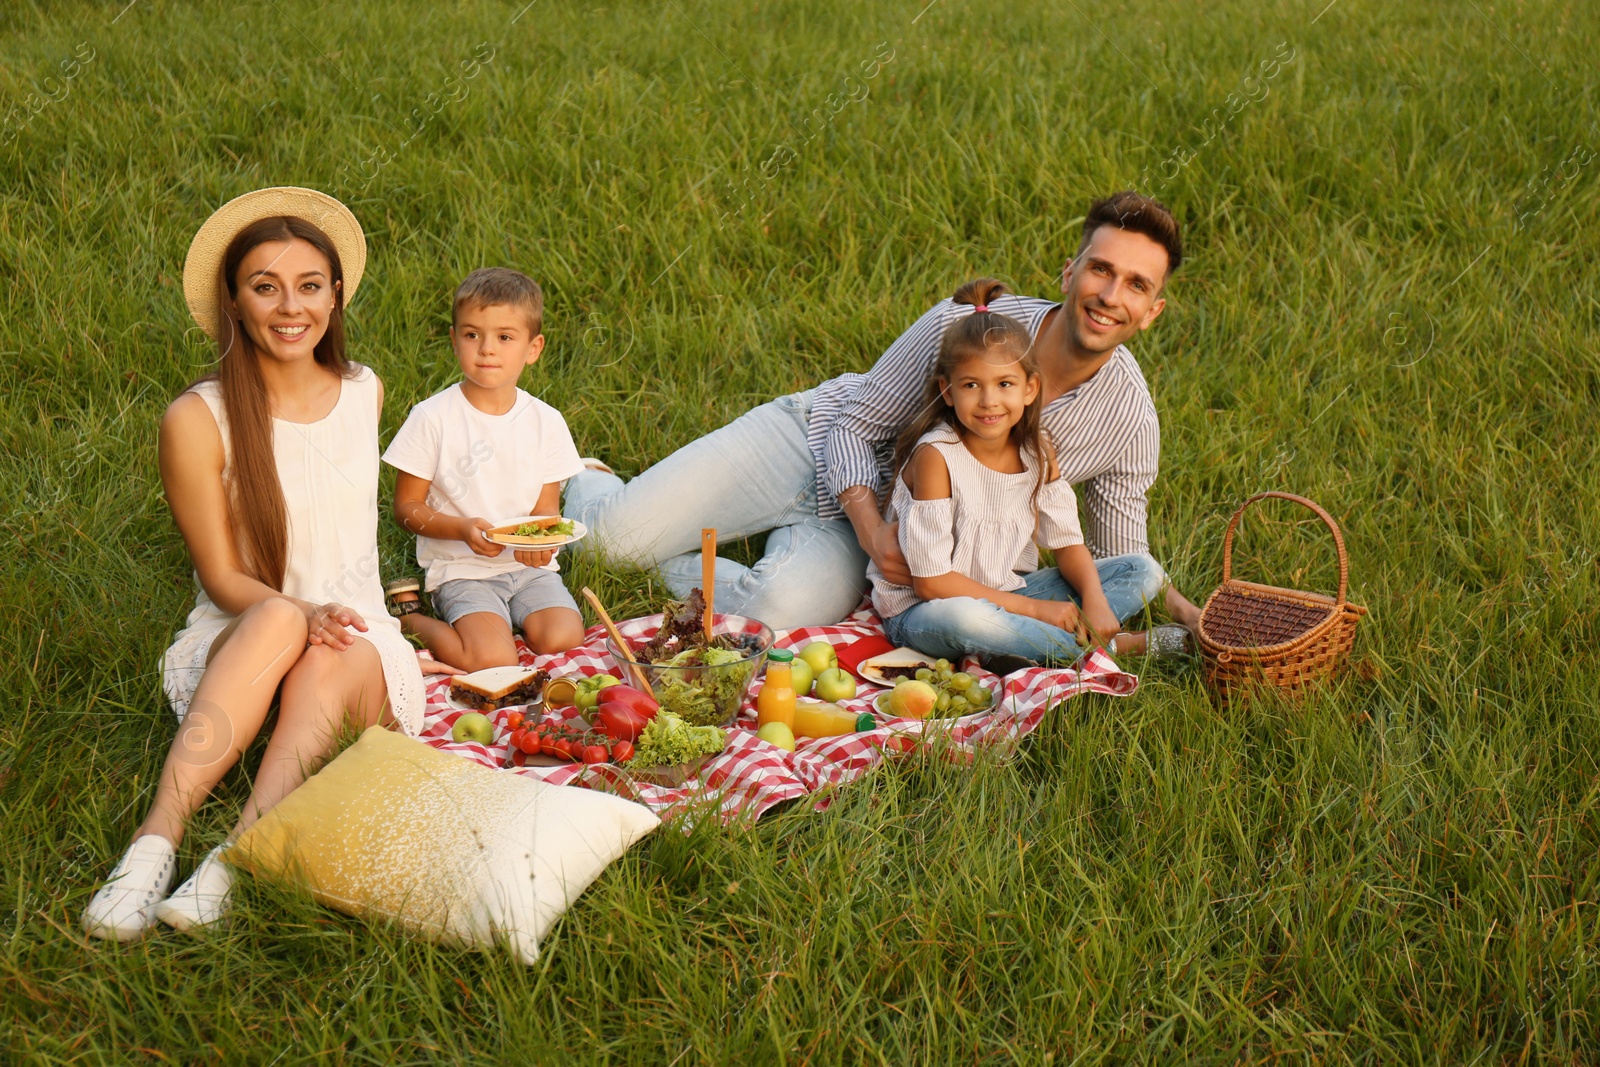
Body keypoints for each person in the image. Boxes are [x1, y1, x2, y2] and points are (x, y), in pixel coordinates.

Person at [565, 191, 1201, 638]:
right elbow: (854, 424)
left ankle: (689, 551)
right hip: (811, 446)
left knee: (778, 610)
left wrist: (1196, 621)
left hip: (887, 534)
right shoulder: (970, 327)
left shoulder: (1129, 419)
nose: (1111, 296)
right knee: (611, 546)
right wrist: (873, 530)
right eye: (1101, 270)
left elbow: (1124, 554)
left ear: (1153, 311)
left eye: (1137, 285)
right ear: (1071, 272)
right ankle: (584, 475)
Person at [81, 188, 457, 941]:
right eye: (266, 286)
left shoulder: (364, 389)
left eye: (310, 285)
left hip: (357, 639)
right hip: (244, 633)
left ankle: (237, 852)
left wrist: (330, 616)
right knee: (282, 615)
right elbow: (222, 577)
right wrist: (300, 612)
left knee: (333, 646)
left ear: (336, 293)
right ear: (234, 301)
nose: (292, 307)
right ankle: (154, 844)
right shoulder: (197, 418)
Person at [870, 279, 1177, 665]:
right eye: (971, 385)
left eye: (1004, 383)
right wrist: (1034, 610)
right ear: (947, 392)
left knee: (1141, 570)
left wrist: (1096, 601)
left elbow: (1067, 544)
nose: (989, 401)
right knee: (967, 617)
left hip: (1007, 592)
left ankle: (1017, 645)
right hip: (925, 612)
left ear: (1030, 388)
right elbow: (931, 582)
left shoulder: (1037, 451)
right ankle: (1113, 647)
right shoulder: (936, 456)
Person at [381, 268, 586, 669]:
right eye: (472, 334)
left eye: (505, 337)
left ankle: (504, 618)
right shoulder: (433, 417)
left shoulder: (546, 421)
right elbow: (407, 508)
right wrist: (460, 529)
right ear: (455, 339)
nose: (487, 349)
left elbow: (547, 509)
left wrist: (542, 543)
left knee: (563, 637)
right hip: (463, 569)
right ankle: (412, 619)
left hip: (526, 571)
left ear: (533, 347)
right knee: (492, 659)